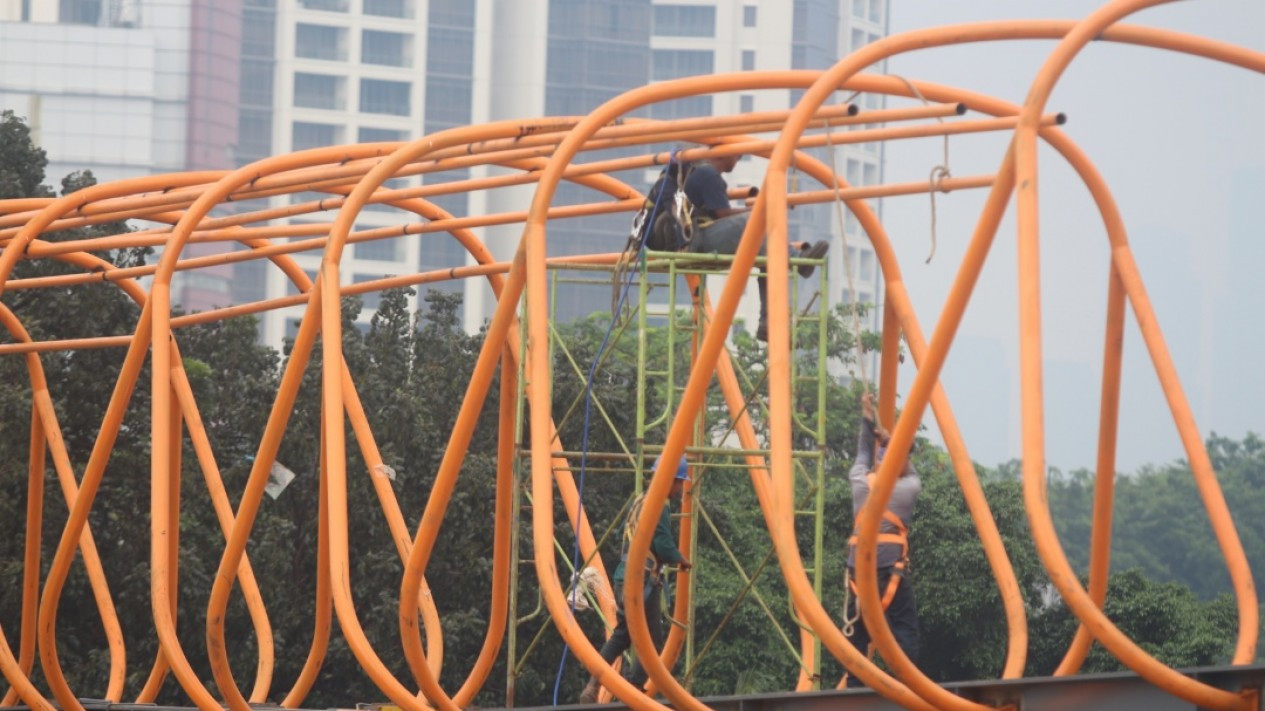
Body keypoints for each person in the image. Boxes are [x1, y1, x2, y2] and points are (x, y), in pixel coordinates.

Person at [578, 457, 692, 703]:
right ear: (671, 480)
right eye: (680, 483)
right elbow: (663, 544)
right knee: (653, 641)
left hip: (624, 576)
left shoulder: (640, 501)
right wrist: (682, 560)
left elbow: (624, 533)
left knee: (623, 635)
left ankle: (594, 684)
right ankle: (632, 688)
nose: (681, 489)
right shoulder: (660, 506)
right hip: (642, 581)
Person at [682, 154, 830, 342]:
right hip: (700, 240)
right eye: (737, 158)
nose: (735, 163)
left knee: (768, 252)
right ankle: (796, 259)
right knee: (757, 221)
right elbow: (723, 214)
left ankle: (766, 323)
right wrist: (762, 209)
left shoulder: (702, 172)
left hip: (700, 237)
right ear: (725, 155)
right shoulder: (707, 174)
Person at [842, 391, 920, 686]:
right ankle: (909, 684)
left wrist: (867, 415)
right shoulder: (908, 489)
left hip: (858, 574)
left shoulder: (860, 482)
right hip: (891, 573)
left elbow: (863, 453)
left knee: (856, 634)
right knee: (904, 629)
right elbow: (907, 465)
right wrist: (891, 442)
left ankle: (854, 687)